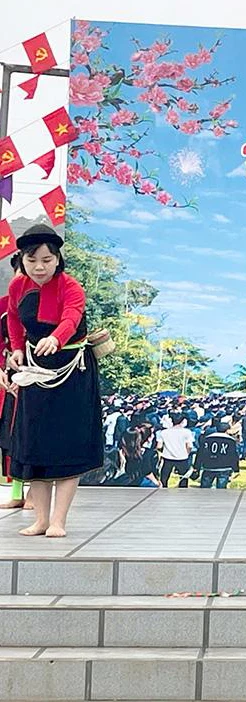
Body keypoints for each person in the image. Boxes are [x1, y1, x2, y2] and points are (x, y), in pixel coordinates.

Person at [5, 224, 104, 537]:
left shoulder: (71, 286)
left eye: (46, 260)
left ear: (57, 259)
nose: (39, 267)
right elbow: (14, 321)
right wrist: (17, 349)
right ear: (23, 260)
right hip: (35, 370)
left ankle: (59, 521)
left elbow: (71, 317)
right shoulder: (18, 287)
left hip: (72, 372)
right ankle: (41, 520)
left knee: (66, 444)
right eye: (32, 260)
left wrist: (56, 339)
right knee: (33, 443)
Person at [1, 255, 28, 509]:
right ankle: (17, 492)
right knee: (13, 438)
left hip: (38, 380)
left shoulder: (45, 304)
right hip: (11, 383)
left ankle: (36, 495)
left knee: (34, 438)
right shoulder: (5, 307)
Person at [157, 412, 194, 487]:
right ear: (182, 421)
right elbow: (190, 446)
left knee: (164, 478)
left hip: (167, 457)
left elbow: (159, 446)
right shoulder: (187, 432)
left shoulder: (164, 432)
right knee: (183, 478)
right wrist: (186, 453)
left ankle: (163, 490)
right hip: (182, 457)